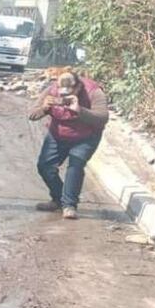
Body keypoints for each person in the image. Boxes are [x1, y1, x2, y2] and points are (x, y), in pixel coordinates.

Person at [29, 69, 109, 219]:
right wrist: (45, 108)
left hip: (86, 136)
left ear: (78, 87)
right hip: (58, 134)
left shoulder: (93, 91)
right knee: (45, 166)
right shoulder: (51, 91)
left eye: (69, 93)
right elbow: (32, 114)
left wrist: (79, 110)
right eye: (62, 93)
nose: (64, 97)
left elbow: (103, 117)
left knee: (76, 165)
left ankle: (70, 205)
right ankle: (58, 199)